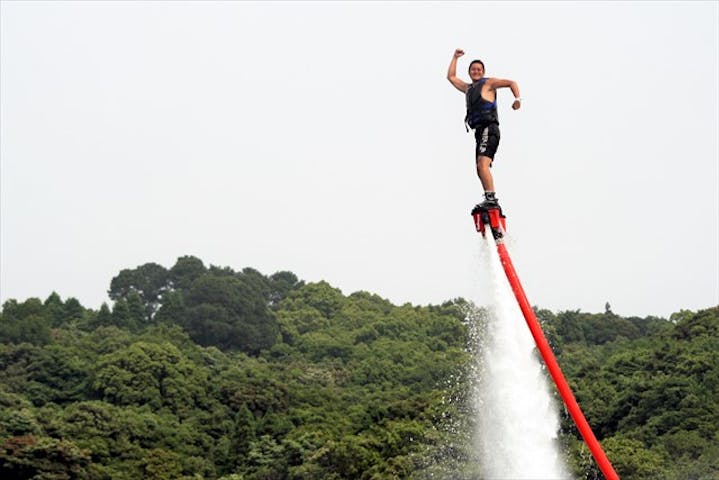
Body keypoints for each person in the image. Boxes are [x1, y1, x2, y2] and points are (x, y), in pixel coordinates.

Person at [447, 48, 521, 208]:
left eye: (479, 69)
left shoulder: (488, 83)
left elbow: (511, 82)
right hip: (480, 132)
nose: (476, 71)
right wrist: (455, 57)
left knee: (482, 165)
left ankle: (491, 199)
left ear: (483, 71)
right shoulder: (468, 89)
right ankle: (490, 198)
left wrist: (517, 99)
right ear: (469, 72)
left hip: (490, 128)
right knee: (479, 168)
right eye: (473, 69)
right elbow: (451, 77)